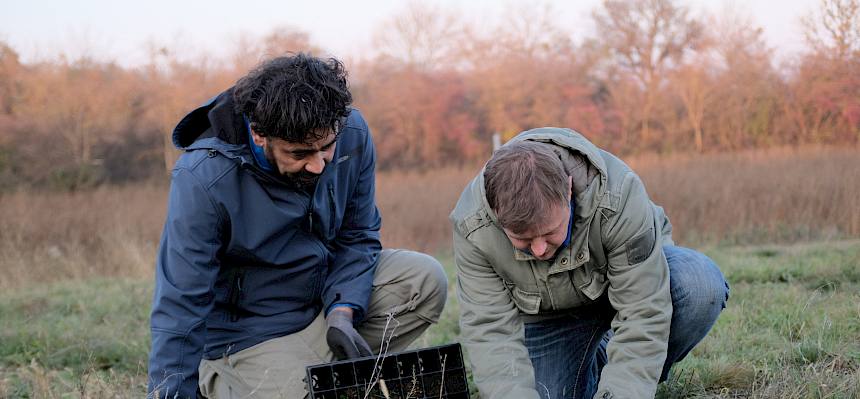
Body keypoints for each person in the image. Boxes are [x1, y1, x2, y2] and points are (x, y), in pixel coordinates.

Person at [148, 53, 447, 399]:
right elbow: (180, 302)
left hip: (322, 306)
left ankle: (318, 370)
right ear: (259, 135)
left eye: (327, 147)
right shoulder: (203, 179)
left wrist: (343, 308)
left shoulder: (352, 132)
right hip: (249, 334)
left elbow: (358, 235)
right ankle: (223, 381)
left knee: (424, 280)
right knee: (309, 393)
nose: (319, 165)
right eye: (301, 153)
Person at [450, 127, 729, 399]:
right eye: (522, 238)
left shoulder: (619, 196)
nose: (538, 250)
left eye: (549, 233)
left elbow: (644, 312)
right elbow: (491, 332)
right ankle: (595, 363)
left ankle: (626, 375)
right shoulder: (473, 227)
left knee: (699, 284)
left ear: (568, 190)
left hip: (624, 287)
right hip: (549, 319)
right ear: (496, 214)